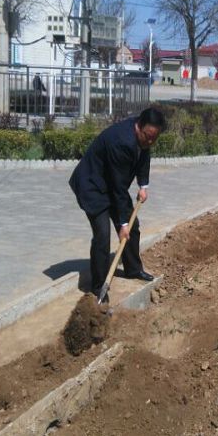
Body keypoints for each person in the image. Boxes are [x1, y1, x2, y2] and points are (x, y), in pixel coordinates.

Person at [69, 108, 167, 302]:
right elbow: (119, 187)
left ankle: (133, 269)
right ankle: (98, 286)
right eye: (147, 137)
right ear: (138, 126)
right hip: (92, 186)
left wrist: (143, 185)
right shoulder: (121, 142)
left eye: (153, 139)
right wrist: (122, 224)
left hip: (110, 185)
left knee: (134, 226)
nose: (150, 142)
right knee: (103, 236)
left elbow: (144, 155)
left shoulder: (143, 138)